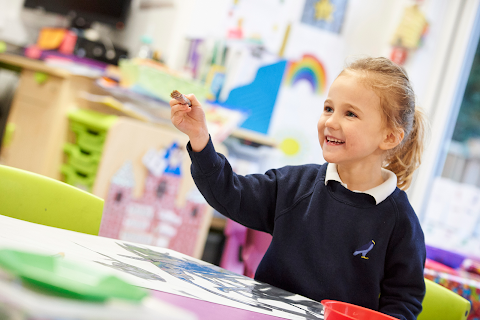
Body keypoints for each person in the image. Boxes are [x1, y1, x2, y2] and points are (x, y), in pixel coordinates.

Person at [170, 56, 427, 320]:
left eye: (350, 113)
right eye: (329, 108)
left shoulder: (401, 223)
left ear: (389, 136)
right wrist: (200, 138)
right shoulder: (295, 185)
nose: (331, 121)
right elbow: (230, 193)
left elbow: (403, 303)